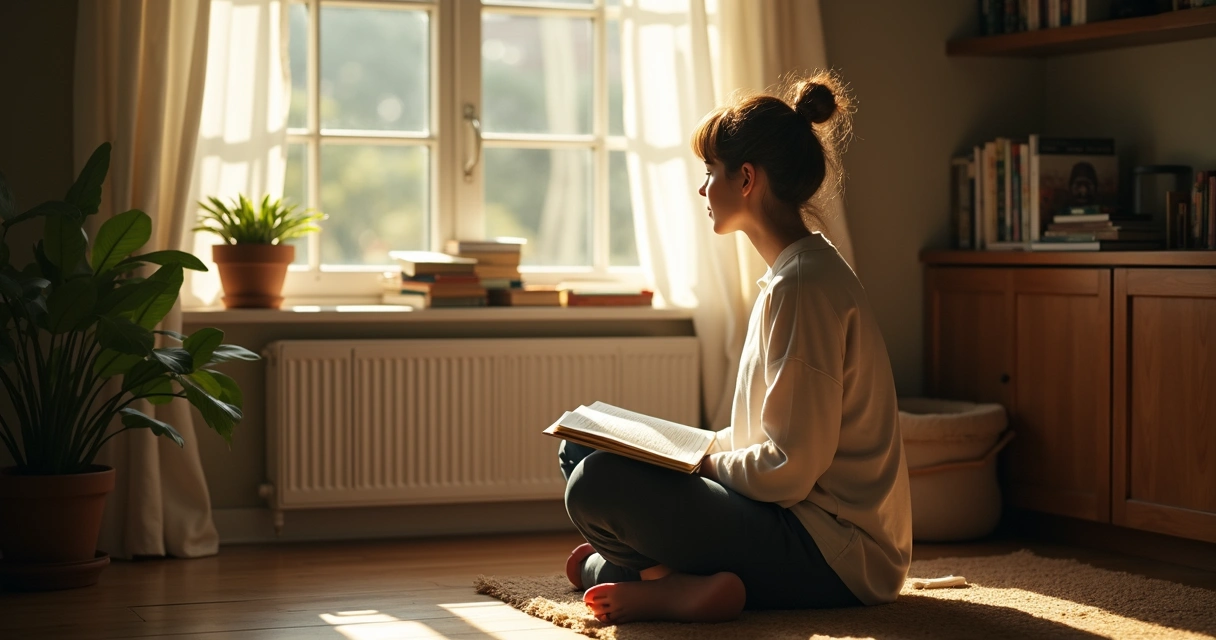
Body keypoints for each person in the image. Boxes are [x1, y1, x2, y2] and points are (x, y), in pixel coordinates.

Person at [557, 71, 912, 625]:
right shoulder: (790, 276)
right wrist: (682, 453)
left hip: (833, 552)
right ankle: (660, 579)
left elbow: (789, 471)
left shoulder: (804, 288)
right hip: (788, 519)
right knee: (582, 451)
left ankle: (655, 582)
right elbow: (764, 441)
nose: (702, 190)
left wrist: (701, 465)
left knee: (597, 483)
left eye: (709, 173)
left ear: (746, 179)